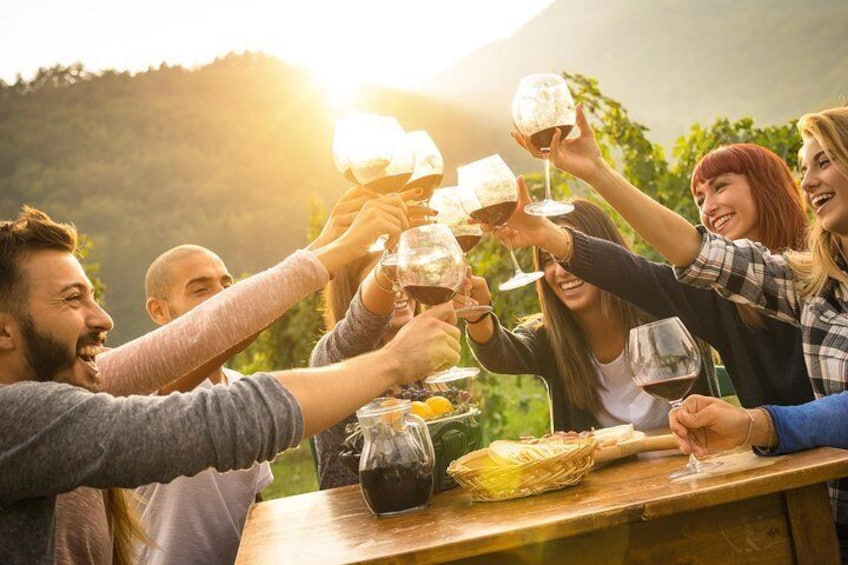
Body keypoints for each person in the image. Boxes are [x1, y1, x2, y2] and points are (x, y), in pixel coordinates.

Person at [0, 205, 461, 564]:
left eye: (92, 297)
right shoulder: (16, 421)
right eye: (70, 299)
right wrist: (391, 362)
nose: (102, 319)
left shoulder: (72, 386)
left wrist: (327, 249)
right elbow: (231, 417)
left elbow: (195, 337)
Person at [539, 105, 848, 559]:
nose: (808, 181)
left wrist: (753, 425)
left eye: (824, 162)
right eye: (805, 168)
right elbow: (689, 254)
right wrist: (588, 184)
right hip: (821, 516)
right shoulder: (812, 283)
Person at [509, 132, 813, 410]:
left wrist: (596, 171)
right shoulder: (716, 299)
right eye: (700, 200)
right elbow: (636, 276)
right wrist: (553, 238)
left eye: (720, 187)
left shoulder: (823, 274)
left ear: (766, 186)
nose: (708, 208)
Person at [459, 197, 713, 433]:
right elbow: (500, 355)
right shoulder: (549, 338)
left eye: (566, 255)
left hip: (694, 463)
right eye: (548, 260)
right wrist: (478, 313)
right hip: (609, 481)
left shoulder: (664, 314)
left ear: (602, 253)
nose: (561, 272)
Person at [129, 244, 273, 564]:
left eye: (227, 284)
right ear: (159, 311)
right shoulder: (141, 396)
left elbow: (254, 500)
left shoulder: (241, 388)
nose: (223, 295)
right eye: (200, 289)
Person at [309, 251, 420, 489]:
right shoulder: (334, 353)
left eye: (404, 274)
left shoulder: (417, 356)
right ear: (357, 294)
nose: (400, 288)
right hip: (357, 512)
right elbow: (362, 326)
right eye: (386, 280)